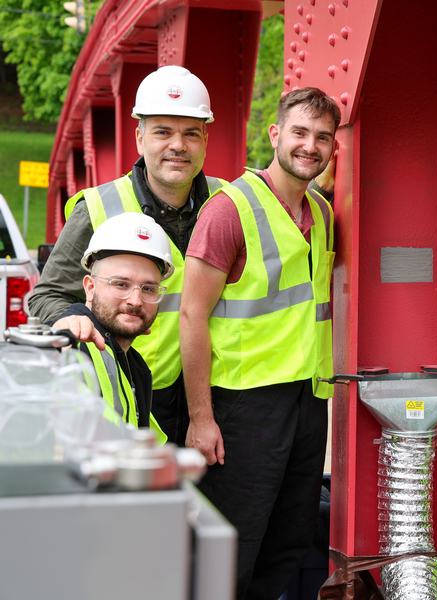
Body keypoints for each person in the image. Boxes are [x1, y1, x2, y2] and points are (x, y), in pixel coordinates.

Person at [179, 87, 338, 600]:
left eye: (322, 138)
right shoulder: (230, 210)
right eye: (299, 133)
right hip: (243, 404)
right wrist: (201, 418)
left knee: (291, 538)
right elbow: (191, 314)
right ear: (275, 135)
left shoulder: (323, 212)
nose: (309, 146)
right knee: (235, 541)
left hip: (307, 399)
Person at [29, 65, 223, 447]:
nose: (178, 146)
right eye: (162, 132)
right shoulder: (98, 207)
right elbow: (44, 296)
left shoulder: (228, 203)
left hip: (217, 398)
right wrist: (73, 316)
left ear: (205, 139)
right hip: (139, 392)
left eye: (190, 134)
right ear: (139, 137)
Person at [52, 213, 174, 441]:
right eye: (120, 284)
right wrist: (63, 329)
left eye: (148, 288)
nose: (136, 301)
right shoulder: (76, 348)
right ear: (90, 288)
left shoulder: (134, 366)